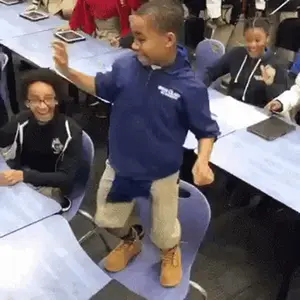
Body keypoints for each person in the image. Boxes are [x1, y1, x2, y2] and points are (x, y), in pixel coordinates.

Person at [52, 0, 219, 287]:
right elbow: (101, 86)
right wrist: (68, 71)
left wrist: (203, 160)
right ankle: (132, 240)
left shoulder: (190, 87)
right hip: (120, 165)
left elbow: (207, 130)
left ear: (168, 40)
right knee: (108, 220)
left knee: (166, 232)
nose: (133, 45)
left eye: (140, 38)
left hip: (161, 173)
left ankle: (170, 251)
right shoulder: (126, 64)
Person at [0, 69, 83, 211]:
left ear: (57, 100)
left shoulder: (71, 132)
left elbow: (66, 178)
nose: (43, 106)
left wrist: (23, 175)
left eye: (48, 98)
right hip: (22, 180)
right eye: (35, 100)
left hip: (51, 188)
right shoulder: (21, 121)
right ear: (27, 102)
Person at [204, 17, 288, 108]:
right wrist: (196, 88)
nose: (252, 45)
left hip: (258, 115)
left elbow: (280, 102)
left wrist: (270, 84)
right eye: (248, 40)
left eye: (257, 40)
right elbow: (210, 72)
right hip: (231, 108)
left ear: (267, 38)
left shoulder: (277, 64)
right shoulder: (237, 53)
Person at [58, 0, 142, 43]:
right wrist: (72, 25)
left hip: (120, 38)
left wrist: (125, 39)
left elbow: (139, 13)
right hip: (97, 36)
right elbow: (80, 7)